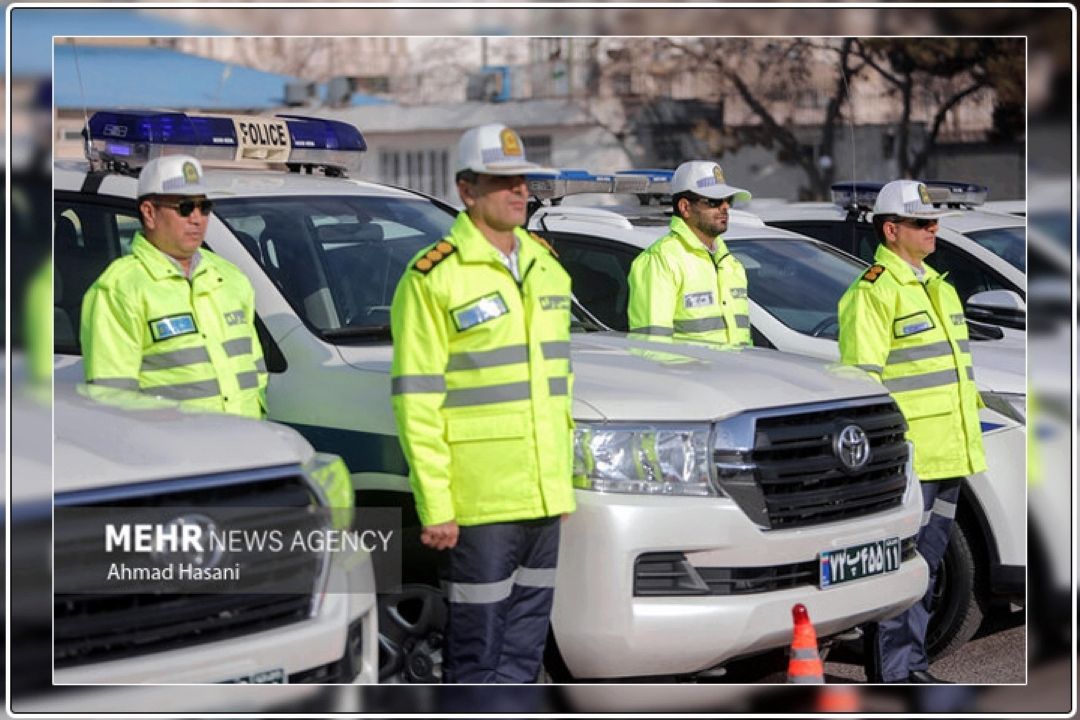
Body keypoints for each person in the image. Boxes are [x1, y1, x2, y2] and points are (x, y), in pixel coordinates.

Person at [389, 123, 575, 683]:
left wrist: (559, 480)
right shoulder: (433, 276)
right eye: (502, 182)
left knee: (526, 644)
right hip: (479, 500)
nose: (518, 192)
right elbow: (417, 399)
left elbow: (555, 384)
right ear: (466, 190)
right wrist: (437, 504)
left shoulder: (547, 266)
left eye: (522, 181)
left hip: (543, 494)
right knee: (476, 648)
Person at [837, 179, 987, 684]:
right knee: (903, 569)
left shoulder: (938, 286)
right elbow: (865, 383)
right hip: (913, 457)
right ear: (891, 228)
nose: (933, 229)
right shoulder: (874, 291)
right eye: (922, 223)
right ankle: (896, 676)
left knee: (927, 564)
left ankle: (913, 667)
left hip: (951, 453)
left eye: (934, 220)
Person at [80, 155, 266, 419]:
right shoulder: (119, 288)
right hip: (176, 455)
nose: (197, 218)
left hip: (243, 445)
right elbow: (113, 398)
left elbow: (256, 371)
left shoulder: (229, 277)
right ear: (149, 212)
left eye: (205, 207)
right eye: (185, 206)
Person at [627, 160, 753, 346]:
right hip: (689, 375)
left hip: (734, 373)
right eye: (714, 201)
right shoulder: (661, 259)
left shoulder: (730, 264)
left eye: (728, 201)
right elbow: (651, 345)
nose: (725, 207)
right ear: (685, 207)